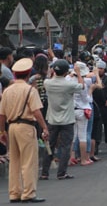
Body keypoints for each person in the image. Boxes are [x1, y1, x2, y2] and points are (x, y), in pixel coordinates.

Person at [0, 58, 49, 203]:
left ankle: (14, 193)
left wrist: (2, 132)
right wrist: (45, 127)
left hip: (12, 127)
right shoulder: (30, 90)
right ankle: (28, 193)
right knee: (29, 161)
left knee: (14, 160)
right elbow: (36, 112)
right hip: (26, 126)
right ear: (28, 74)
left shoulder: (7, 91)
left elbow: (1, 115)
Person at [40, 59, 84, 180]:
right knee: (65, 146)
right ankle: (61, 172)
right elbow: (81, 86)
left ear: (54, 70)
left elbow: (49, 77)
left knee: (50, 145)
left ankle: (44, 173)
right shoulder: (69, 84)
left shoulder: (47, 83)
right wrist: (78, 73)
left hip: (52, 119)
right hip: (67, 119)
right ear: (66, 72)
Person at [91, 60, 107, 153]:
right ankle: (96, 146)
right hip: (97, 105)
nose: (99, 70)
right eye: (98, 68)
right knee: (97, 127)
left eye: (101, 68)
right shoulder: (93, 79)